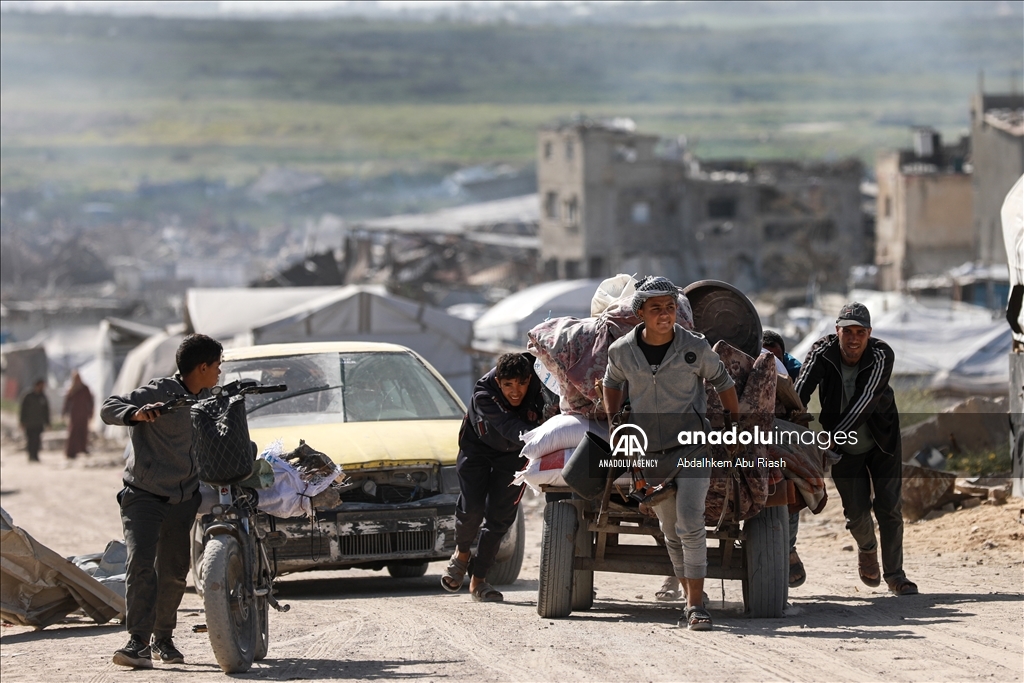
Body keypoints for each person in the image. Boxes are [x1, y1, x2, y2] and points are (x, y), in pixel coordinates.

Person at [602, 276, 739, 631]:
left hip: (693, 448)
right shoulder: (622, 352)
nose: (665, 315)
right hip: (649, 455)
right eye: (656, 309)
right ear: (641, 314)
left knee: (691, 523)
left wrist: (734, 425)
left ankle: (694, 606)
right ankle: (690, 593)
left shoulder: (695, 346)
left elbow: (723, 381)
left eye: (670, 307)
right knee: (670, 530)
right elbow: (611, 382)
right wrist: (615, 421)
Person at [101, 334, 223, 668]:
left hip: (184, 498)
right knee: (141, 563)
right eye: (217, 366)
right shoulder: (159, 392)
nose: (219, 372)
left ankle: (163, 639)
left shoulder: (210, 399)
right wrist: (136, 414)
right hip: (143, 494)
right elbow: (109, 407)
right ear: (202, 367)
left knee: (173, 572)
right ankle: (137, 641)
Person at [794, 302, 918, 596]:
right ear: (836, 331)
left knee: (889, 508)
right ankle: (867, 548)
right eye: (847, 331)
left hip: (882, 440)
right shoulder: (822, 352)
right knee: (857, 513)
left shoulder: (881, 354)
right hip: (846, 450)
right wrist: (797, 432)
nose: (853, 339)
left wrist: (832, 439)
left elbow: (866, 400)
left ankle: (896, 575)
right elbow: (800, 391)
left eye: (859, 332)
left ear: (869, 333)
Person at [441, 352, 546, 602]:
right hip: (477, 449)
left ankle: (479, 581)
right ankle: (463, 553)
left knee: (499, 518)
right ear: (498, 382)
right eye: (508, 385)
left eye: (521, 383)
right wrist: (544, 436)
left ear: (529, 379)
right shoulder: (483, 394)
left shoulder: (541, 386)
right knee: (473, 510)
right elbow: (511, 427)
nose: (515, 391)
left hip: (515, 454)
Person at [62, 370, 94, 459]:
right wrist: (64, 412)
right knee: (73, 432)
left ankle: (82, 448)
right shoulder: (72, 389)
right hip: (75, 414)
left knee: (83, 431)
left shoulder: (85, 388)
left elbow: (90, 401)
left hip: (83, 414)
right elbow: (67, 402)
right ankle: (71, 452)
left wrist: (91, 412)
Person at [19, 379, 50, 463]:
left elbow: (46, 411)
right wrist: (22, 421)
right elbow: (23, 410)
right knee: (30, 440)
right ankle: (31, 455)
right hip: (29, 423)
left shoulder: (43, 397)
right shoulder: (28, 396)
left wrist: (48, 423)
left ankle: (35, 456)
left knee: (37, 440)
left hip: (39, 423)